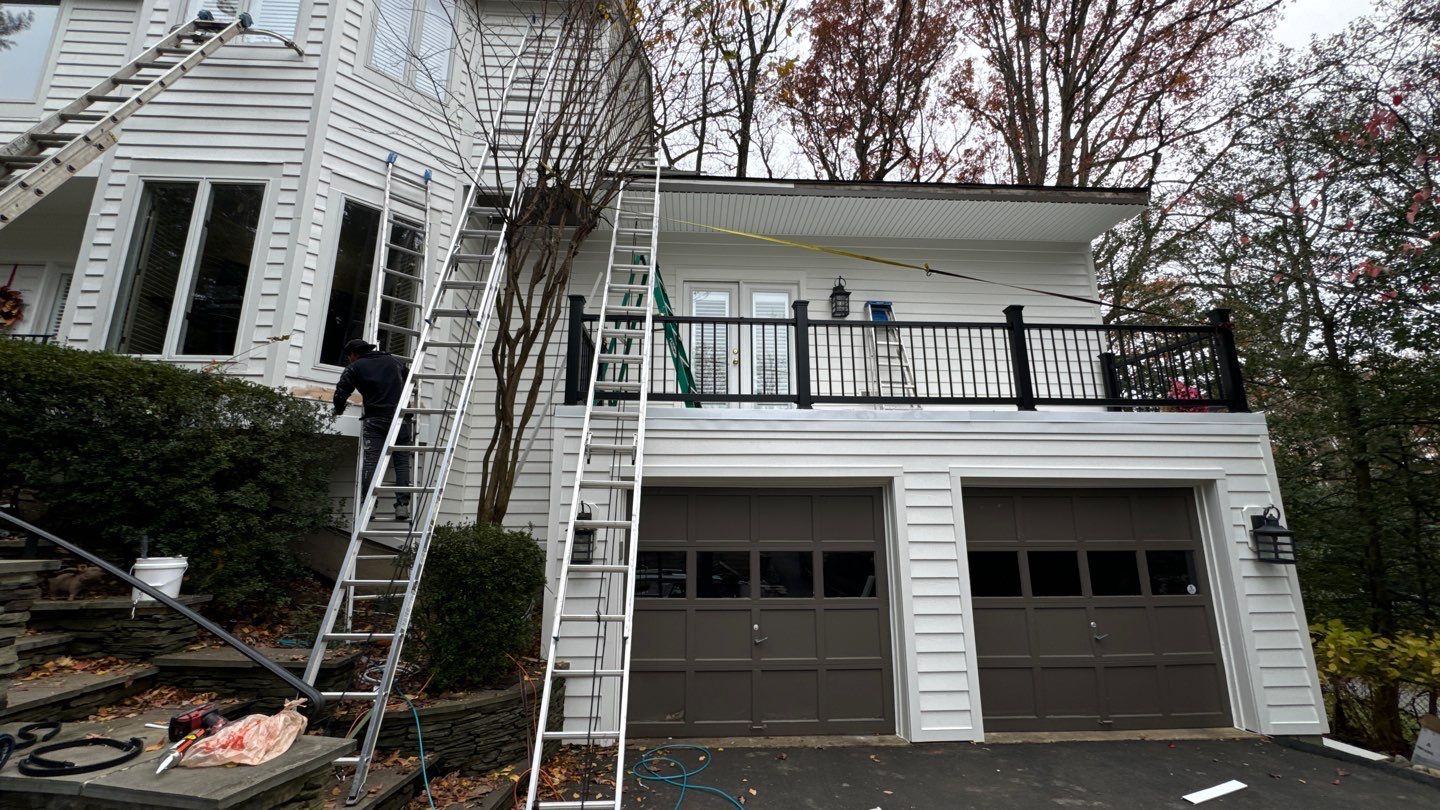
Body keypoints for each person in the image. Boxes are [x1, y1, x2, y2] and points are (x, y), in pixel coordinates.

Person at [333, 338, 413, 521]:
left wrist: (338, 409)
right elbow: (409, 379)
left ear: (354, 354)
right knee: (401, 462)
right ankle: (402, 507)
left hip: (375, 419)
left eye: (349, 357)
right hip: (400, 418)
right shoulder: (393, 361)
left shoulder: (355, 367)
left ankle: (370, 507)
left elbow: (341, 392)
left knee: (371, 462)